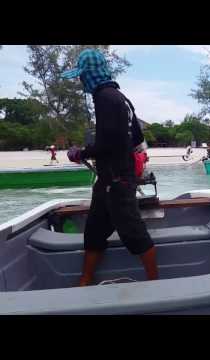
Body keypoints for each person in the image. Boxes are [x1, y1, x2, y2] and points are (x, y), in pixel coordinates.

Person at [62, 49, 158, 286]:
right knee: (94, 234)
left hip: (117, 183)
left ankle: (156, 284)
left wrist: (81, 153)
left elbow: (109, 143)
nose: (81, 80)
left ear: (91, 73)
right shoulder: (121, 98)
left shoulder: (104, 97)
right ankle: (85, 281)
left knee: (135, 235)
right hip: (109, 181)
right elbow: (136, 138)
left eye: (82, 75)